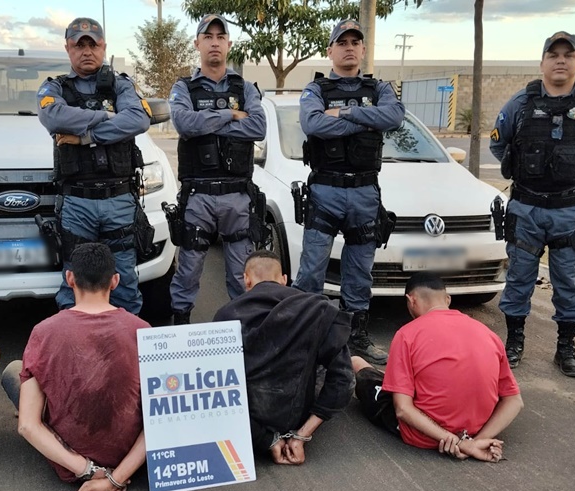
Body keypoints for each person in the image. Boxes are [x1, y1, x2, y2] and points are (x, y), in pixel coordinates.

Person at [490, 32, 575, 377]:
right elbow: (500, 146)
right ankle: (514, 343)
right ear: (543, 62)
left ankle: (566, 348)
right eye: (554, 54)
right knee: (519, 278)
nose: (561, 60)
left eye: (568, 54)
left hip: (570, 210)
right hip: (526, 208)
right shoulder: (521, 102)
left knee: (568, 281)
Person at [295, 19, 405, 364]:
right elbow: (313, 123)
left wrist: (343, 112)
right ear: (330, 50)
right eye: (342, 42)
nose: (349, 47)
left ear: (363, 49)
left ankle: (355, 335)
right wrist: (366, 117)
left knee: (359, 271)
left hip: (364, 192)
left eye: (355, 42)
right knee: (312, 270)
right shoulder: (315, 90)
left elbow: (395, 117)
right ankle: (307, 336)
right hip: (325, 190)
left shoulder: (380, 89)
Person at [1, 243, 148, 491]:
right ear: (115, 281)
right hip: (129, 459)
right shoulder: (143, 330)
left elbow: (27, 426)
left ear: (70, 279)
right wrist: (116, 477)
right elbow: (161, 418)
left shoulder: (44, 332)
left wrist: (91, 472)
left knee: (14, 371)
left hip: (71, 464)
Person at [38, 17, 151, 315]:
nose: (87, 51)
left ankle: (125, 351)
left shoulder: (122, 85)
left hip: (119, 200)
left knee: (124, 283)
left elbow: (139, 119)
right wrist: (109, 119)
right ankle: (75, 351)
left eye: (93, 44)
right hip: (77, 202)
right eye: (79, 45)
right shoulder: (55, 87)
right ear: (68, 48)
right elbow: (54, 118)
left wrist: (84, 136)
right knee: (74, 283)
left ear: (103, 47)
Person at [354, 272, 523, 462]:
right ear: (448, 299)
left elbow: (402, 409)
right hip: (476, 431)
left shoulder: (407, 335)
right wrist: (475, 441)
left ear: (411, 301)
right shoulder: (489, 334)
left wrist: (454, 441)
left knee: (360, 368)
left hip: (422, 436)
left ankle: (362, 366)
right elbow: (514, 401)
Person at [167, 14, 267, 325]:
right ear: (197, 43)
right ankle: (180, 327)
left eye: (220, 37)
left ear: (228, 44)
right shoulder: (184, 87)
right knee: (188, 271)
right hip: (198, 195)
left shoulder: (245, 87)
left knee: (241, 275)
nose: (214, 42)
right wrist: (232, 115)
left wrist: (209, 120)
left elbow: (259, 126)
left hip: (237, 195)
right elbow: (184, 123)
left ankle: (243, 334)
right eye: (207, 36)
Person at [213, 250, 353, 465]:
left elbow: (217, 392)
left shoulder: (225, 317)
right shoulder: (315, 310)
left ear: (246, 280)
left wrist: (266, 440)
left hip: (249, 424)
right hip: (297, 416)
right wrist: (300, 436)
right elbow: (343, 381)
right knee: (339, 361)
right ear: (284, 280)